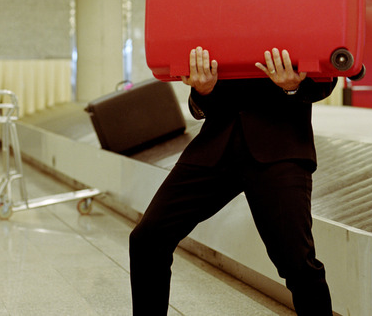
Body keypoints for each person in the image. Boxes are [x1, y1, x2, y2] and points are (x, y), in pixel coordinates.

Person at [129, 46, 336, 315]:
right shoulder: (214, 11)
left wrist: (293, 88)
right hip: (216, 143)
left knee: (297, 264)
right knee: (147, 240)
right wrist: (202, 91)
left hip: (279, 146)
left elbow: (328, 73)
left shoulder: (294, 9)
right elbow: (205, 94)